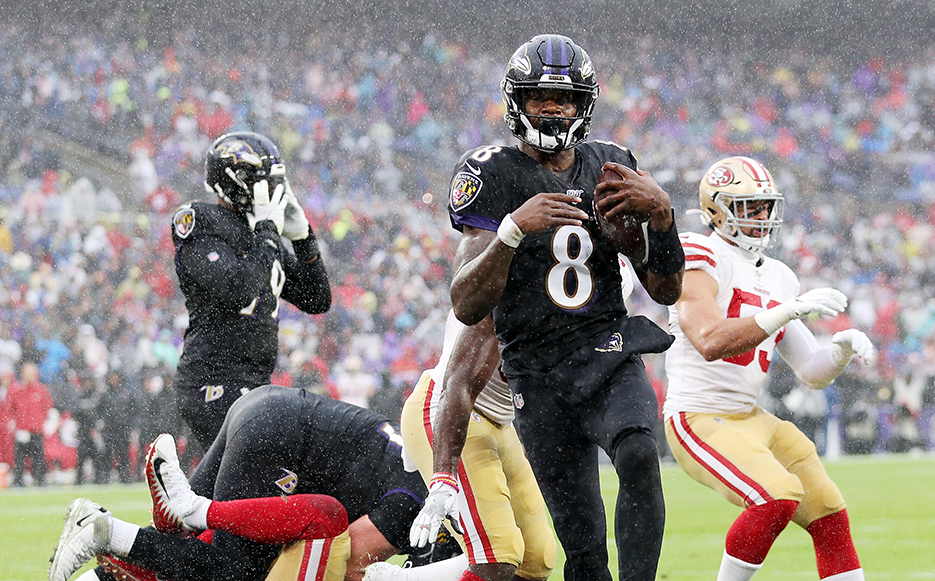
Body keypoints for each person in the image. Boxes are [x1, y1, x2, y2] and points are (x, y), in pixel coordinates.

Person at [447, 34, 685, 581]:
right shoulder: (491, 172)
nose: (553, 109)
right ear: (516, 102)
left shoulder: (611, 166)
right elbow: (465, 303)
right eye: (539, 98)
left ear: (585, 105)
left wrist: (663, 220)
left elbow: (666, 290)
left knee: (639, 455)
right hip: (537, 375)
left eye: (565, 99)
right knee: (583, 546)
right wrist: (511, 231)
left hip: (607, 351)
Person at [663, 156, 875, 581]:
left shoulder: (778, 275)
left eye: (766, 207)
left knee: (827, 511)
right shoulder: (701, 254)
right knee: (776, 495)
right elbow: (709, 340)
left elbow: (811, 371)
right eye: (749, 208)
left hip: (750, 415)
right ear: (716, 211)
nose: (762, 218)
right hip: (698, 415)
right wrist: (788, 311)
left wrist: (841, 350)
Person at [49, 385, 457, 581]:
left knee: (189, 547)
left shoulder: (424, 479)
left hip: (266, 408)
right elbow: (346, 562)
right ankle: (106, 530)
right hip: (283, 441)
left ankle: (109, 555)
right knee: (233, 571)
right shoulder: (414, 508)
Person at [171, 131, 331, 448]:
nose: (274, 189)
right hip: (213, 379)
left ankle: (174, 482)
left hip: (253, 381)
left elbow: (317, 299)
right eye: (265, 182)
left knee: (248, 475)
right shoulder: (200, 221)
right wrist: (268, 232)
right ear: (236, 182)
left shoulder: (257, 234)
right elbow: (239, 289)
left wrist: (304, 239)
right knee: (258, 470)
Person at [377, 311, 555, 581]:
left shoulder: (590, 292)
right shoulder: (501, 293)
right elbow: (460, 379)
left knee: (537, 560)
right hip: (450, 411)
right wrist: (444, 475)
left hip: (501, 423)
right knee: (496, 557)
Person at [5, 361, 53, 486]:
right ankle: (18, 482)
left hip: (36, 429)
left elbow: (47, 407)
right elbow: (9, 408)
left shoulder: (41, 389)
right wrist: (14, 423)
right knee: (19, 458)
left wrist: (42, 421)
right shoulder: (16, 389)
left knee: (38, 457)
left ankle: (40, 481)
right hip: (21, 429)